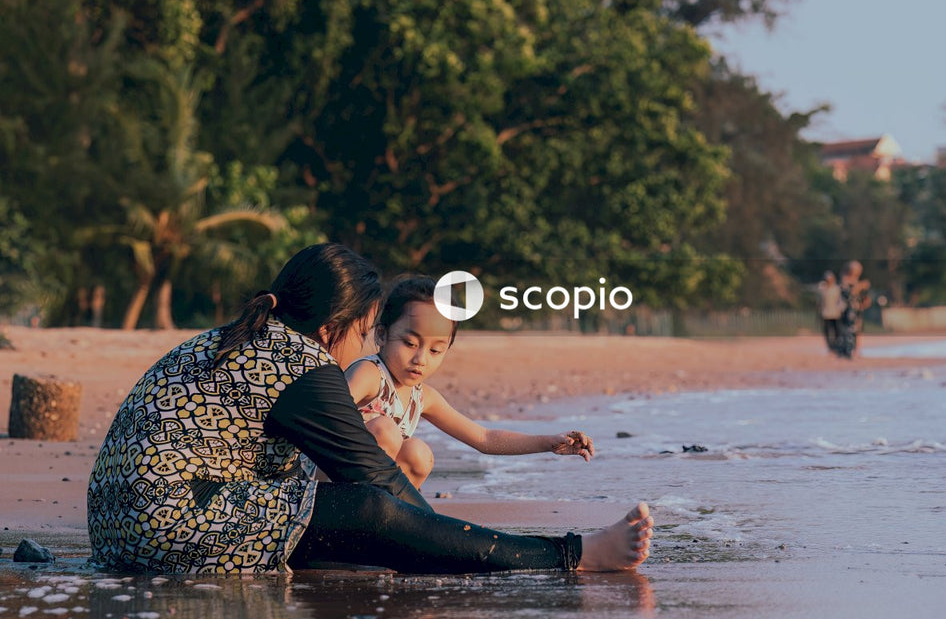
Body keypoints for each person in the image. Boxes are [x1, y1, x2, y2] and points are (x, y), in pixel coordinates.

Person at [87, 244, 653, 579]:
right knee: (371, 509)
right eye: (362, 334)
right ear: (334, 329)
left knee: (362, 507)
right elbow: (375, 487)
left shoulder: (242, 337)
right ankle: (571, 555)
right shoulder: (302, 365)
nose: (360, 349)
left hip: (119, 528)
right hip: (164, 530)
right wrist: (447, 540)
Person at [345, 275, 595, 490]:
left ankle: (391, 520)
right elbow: (319, 415)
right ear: (382, 334)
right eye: (409, 344)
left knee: (418, 454)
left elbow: (484, 438)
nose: (420, 359)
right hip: (326, 480)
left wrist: (549, 443)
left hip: (371, 491)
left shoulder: (423, 397)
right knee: (386, 431)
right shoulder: (370, 374)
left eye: (435, 351)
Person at [835, 260, 870, 359]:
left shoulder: (857, 281)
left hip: (857, 310)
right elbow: (848, 293)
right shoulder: (844, 281)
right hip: (847, 311)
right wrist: (860, 286)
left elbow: (864, 298)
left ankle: (856, 350)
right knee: (847, 330)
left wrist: (865, 301)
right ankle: (847, 350)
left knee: (857, 331)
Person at [817, 270, 845, 354]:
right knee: (827, 331)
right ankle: (830, 346)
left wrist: (840, 309)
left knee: (837, 331)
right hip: (825, 313)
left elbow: (840, 301)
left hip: (835, 314)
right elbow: (819, 301)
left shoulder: (837, 289)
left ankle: (837, 346)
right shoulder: (822, 288)